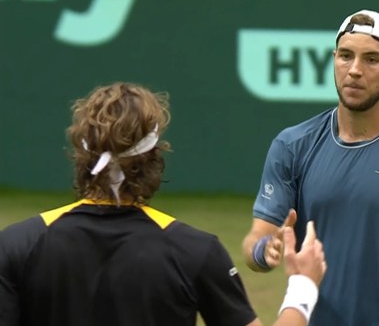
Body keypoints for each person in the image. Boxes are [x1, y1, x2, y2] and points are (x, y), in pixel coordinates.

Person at [0, 82, 327, 326]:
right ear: (154, 156)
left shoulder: (17, 245)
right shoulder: (195, 251)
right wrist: (302, 286)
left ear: (82, 154)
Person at [242, 9, 379, 326]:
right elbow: (254, 242)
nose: (355, 70)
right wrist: (265, 250)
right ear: (334, 59)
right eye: (346, 56)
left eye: (371, 59)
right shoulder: (292, 145)